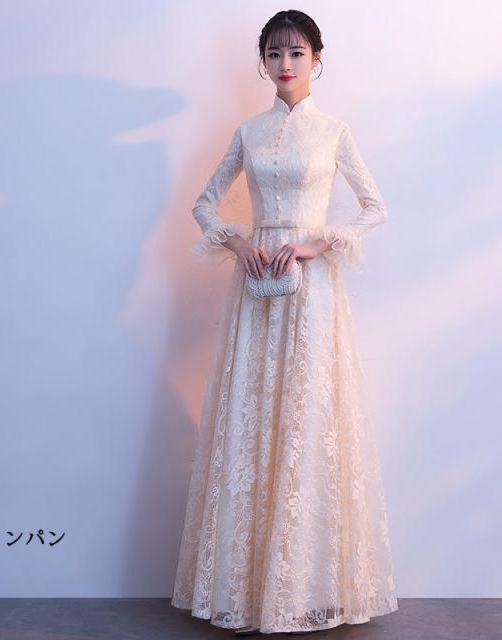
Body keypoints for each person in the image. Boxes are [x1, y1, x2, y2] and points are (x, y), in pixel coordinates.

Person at [171, 9, 399, 636]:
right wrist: (240, 243)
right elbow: (204, 203)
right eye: (274, 53)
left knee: (307, 417)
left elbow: (375, 208)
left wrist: (313, 244)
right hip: (255, 286)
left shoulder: (333, 131)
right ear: (264, 62)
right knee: (251, 417)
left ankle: (302, 591)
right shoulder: (248, 131)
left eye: (296, 53)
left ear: (317, 59)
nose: (285, 64)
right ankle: (246, 592)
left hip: (312, 290)